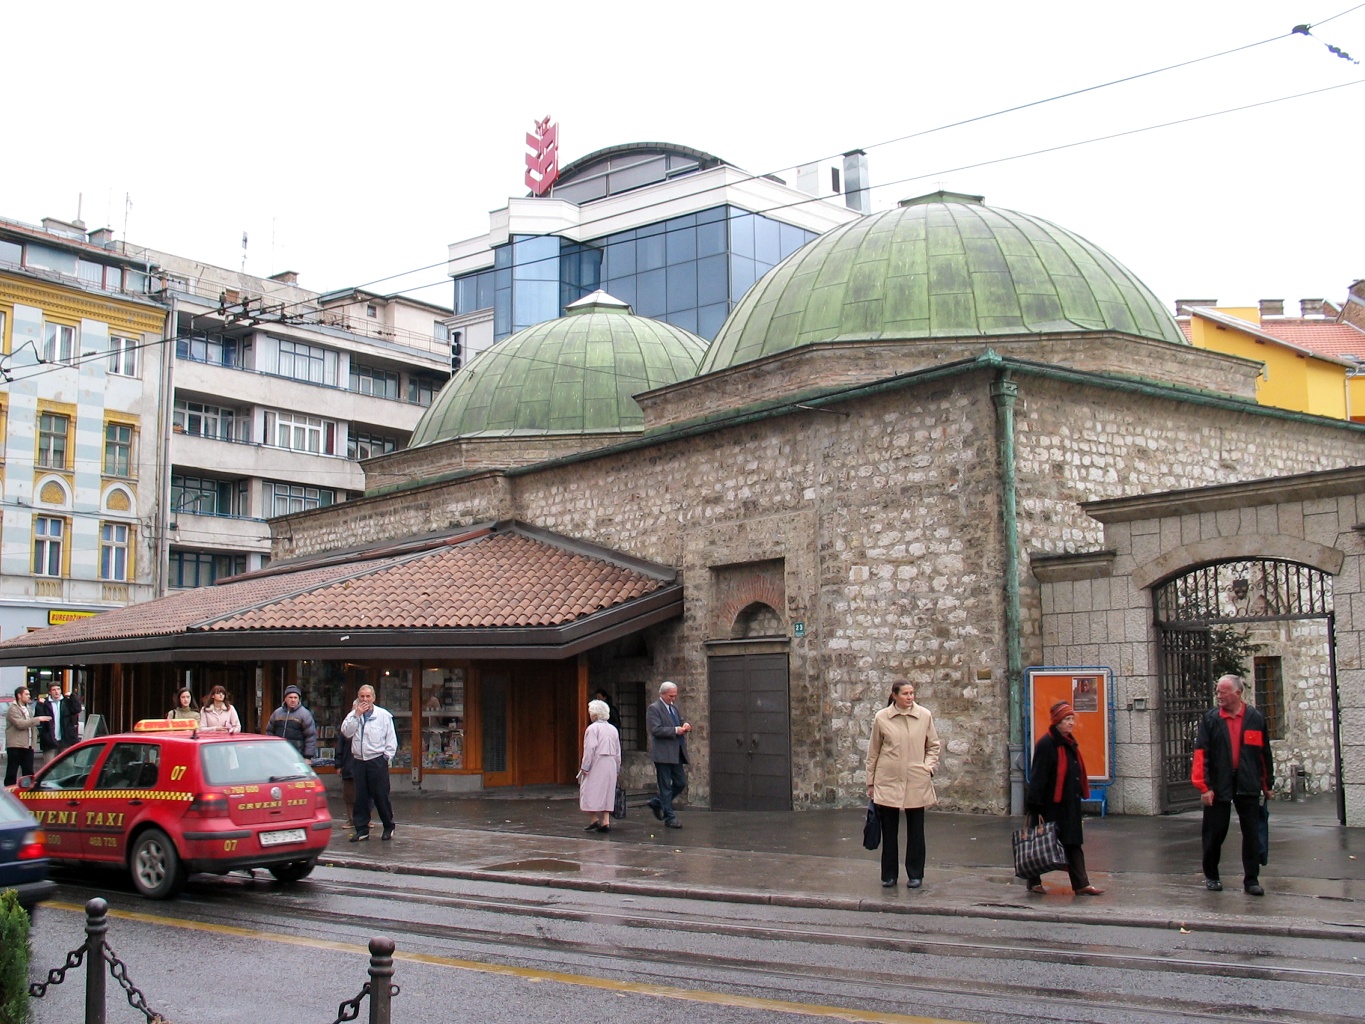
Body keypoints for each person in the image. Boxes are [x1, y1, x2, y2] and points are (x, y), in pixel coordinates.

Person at [1192, 673, 1274, 896]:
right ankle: (1212, 875)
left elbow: (1263, 754)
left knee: (1251, 833)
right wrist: (1204, 787)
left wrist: (1267, 784)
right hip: (1218, 783)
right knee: (1215, 832)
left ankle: (1252, 880)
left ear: (1237, 693)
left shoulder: (1255, 718)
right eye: (1218, 691)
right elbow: (1201, 754)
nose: (1218, 695)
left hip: (1247, 782)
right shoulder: (1211, 719)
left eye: (1223, 692)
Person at [865, 680, 940, 889]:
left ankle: (916, 873)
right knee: (889, 831)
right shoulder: (882, 718)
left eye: (912, 693)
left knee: (916, 830)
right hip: (887, 779)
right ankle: (889, 875)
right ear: (895, 695)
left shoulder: (924, 715)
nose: (910, 697)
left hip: (916, 778)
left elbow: (933, 745)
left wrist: (928, 767)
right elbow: (874, 752)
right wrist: (871, 782)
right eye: (906, 694)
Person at [1024, 701, 1104, 895]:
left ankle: (1081, 884)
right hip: (1050, 805)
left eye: (1071, 719)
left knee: (1073, 844)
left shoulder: (1069, 743)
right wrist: (1035, 808)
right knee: (1040, 845)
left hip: (1068, 804)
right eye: (1067, 719)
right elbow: (1038, 777)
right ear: (1057, 721)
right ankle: (1033, 881)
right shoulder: (1047, 744)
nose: (1071, 723)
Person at [339, 685, 397, 842]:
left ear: (373, 698)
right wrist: (356, 715)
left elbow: (391, 738)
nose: (364, 700)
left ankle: (388, 826)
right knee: (361, 796)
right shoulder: (353, 715)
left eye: (367, 696)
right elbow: (346, 732)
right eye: (362, 697)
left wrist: (387, 757)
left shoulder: (383, 716)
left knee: (380, 795)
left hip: (377, 760)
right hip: (359, 760)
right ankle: (362, 829)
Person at [646, 681, 690, 829]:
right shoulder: (654, 709)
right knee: (665, 786)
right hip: (663, 754)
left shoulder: (674, 708)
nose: (673, 698)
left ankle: (658, 802)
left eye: (675, 695)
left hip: (676, 752)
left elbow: (681, 721)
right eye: (671, 696)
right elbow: (655, 730)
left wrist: (685, 725)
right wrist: (674, 730)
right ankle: (670, 817)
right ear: (662, 694)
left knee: (680, 783)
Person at [579, 698, 622, 833]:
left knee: (589, 790)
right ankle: (606, 820)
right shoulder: (613, 729)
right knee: (607, 790)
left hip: (597, 762)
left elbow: (590, 748)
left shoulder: (592, 729)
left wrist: (585, 766)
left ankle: (594, 818)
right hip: (611, 763)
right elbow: (617, 750)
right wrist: (617, 767)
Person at [6, 686, 51, 785]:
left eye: (29, 694)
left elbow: (31, 725)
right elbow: (20, 724)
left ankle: (27, 792)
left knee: (28, 772)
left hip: (28, 745)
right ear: (19, 695)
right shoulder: (13, 709)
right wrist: (38, 719)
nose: (29, 696)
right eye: (26, 694)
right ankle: (9, 793)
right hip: (16, 745)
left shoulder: (28, 708)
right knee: (12, 771)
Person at [265, 685, 318, 758]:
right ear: (285, 699)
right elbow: (269, 731)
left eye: (295, 697)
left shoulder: (304, 714)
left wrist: (308, 756)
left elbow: (310, 736)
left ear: (299, 699)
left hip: (297, 754)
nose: (293, 700)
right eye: (290, 697)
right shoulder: (277, 713)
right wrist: (271, 749)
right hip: (278, 753)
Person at [36, 682, 82, 764]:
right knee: (49, 766)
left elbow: (77, 709)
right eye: (53, 690)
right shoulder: (45, 703)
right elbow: (38, 719)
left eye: (58, 689)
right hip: (50, 741)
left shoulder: (66, 702)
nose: (56, 692)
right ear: (50, 692)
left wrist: (72, 696)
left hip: (66, 739)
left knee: (69, 765)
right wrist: (40, 704)